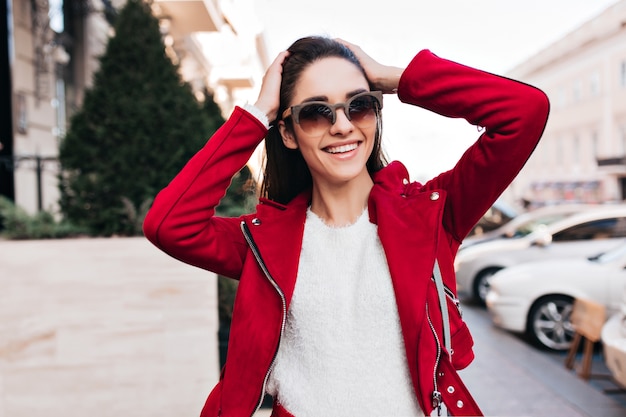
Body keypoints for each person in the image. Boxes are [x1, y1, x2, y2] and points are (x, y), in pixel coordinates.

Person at [143, 36, 550, 417]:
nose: (342, 126)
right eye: (316, 113)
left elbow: (523, 112)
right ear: (287, 131)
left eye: (358, 105)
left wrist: (395, 78)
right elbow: (169, 224)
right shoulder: (264, 242)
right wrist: (255, 115)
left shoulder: (430, 215)